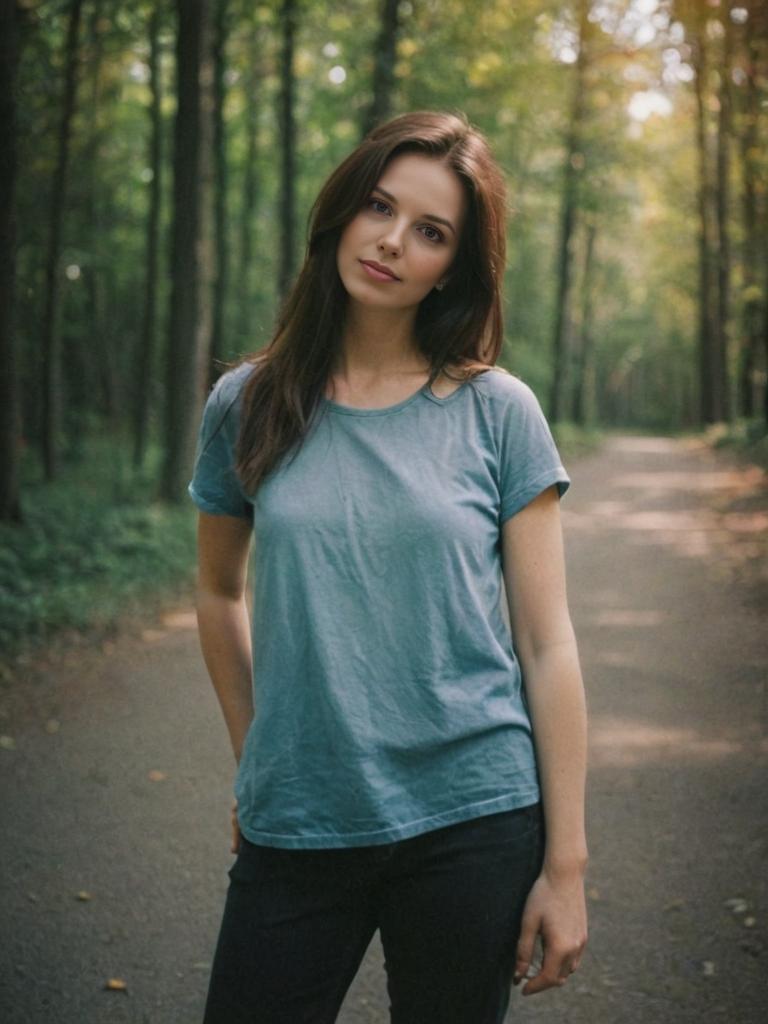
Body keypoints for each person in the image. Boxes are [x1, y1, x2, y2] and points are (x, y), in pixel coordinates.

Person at [188, 110, 588, 1024]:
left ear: (456, 264)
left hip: (473, 818)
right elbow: (217, 591)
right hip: (298, 821)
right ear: (343, 208)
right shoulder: (245, 403)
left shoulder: (498, 412)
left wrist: (565, 866)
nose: (392, 242)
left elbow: (547, 640)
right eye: (379, 206)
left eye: (431, 231)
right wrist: (258, 764)